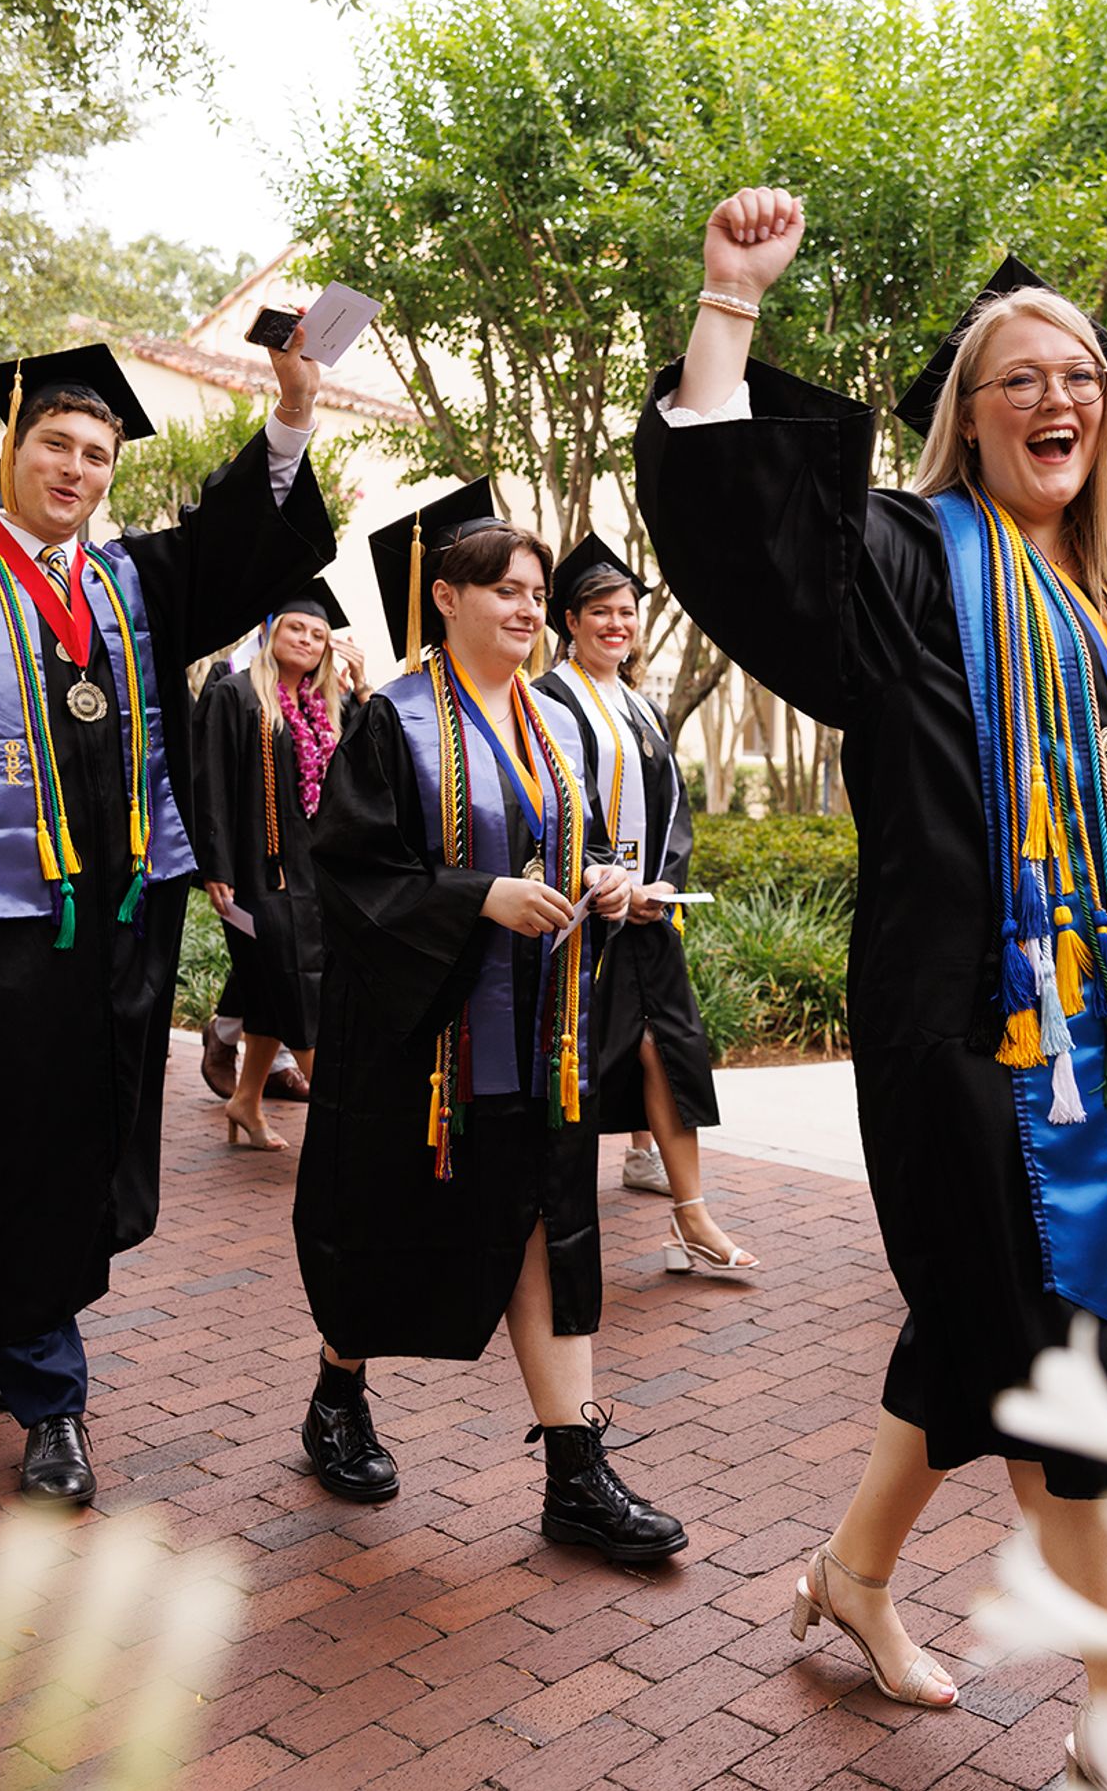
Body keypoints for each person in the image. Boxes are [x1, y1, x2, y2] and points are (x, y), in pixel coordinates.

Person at [638, 207, 1107, 1780]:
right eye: (1024, 379)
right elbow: (749, 543)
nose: (1064, 401)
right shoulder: (913, 563)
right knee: (1063, 1354)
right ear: (969, 417)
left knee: (981, 1328)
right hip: (970, 1029)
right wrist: (728, 308)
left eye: (1085, 382)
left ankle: (852, 1576)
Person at [0, 341, 336, 1505]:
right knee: (14, 1144)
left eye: (97, 454)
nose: (76, 469)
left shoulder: (132, 583)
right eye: (56, 445)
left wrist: (290, 412)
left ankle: (0, 1299)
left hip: (123, 927)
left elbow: (245, 543)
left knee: (87, 1151)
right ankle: (53, 1395)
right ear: (13, 451)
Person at [290, 481, 678, 1560]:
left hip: (545, 1038)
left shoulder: (551, 722)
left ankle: (573, 1471)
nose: (524, 606)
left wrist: (601, 881)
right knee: (386, 1233)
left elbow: (569, 838)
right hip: (423, 1048)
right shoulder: (394, 722)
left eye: (534, 591)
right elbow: (354, 877)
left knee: (549, 1232)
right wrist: (477, 899)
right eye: (503, 588)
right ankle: (337, 1395)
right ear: (446, 599)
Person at [532, 535, 750, 1276]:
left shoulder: (643, 707)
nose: (617, 624)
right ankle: (544, 1222)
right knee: (577, 1068)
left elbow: (673, 811)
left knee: (670, 1051)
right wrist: (601, 881)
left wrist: (660, 887)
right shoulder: (547, 700)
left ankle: (693, 1217)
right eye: (601, 611)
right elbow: (552, 809)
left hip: (646, 919)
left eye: (627, 612)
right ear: (570, 620)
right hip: (579, 926)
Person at [190, 585, 348, 1152]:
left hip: (314, 875)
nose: (306, 640)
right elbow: (209, 782)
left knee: (267, 997)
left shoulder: (325, 707)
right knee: (299, 991)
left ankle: (246, 1101)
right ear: (272, 633)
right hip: (259, 875)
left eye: (318, 634)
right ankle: (342, 1127)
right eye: (296, 629)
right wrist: (215, 864)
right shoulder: (235, 695)